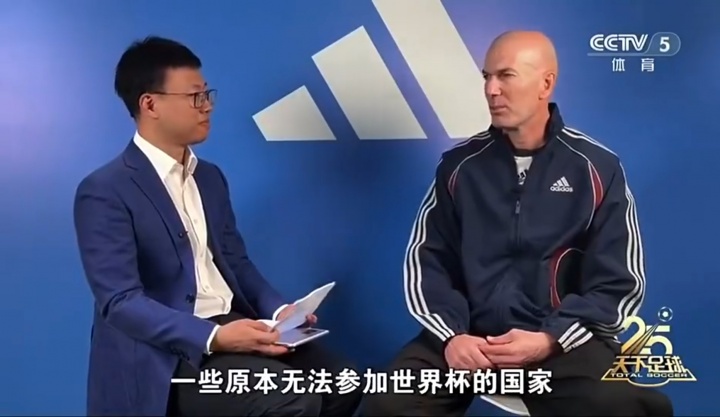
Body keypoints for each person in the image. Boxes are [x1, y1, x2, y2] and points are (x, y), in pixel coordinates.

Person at [364, 31, 674, 416]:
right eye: (487, 77)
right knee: (387, 404)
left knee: (630, 407)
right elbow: (428, 262)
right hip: (469, 340)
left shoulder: (596, 168)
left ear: (546, 84)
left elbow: (618, 284)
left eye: (506, 76)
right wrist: (452, 336)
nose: (491, 90)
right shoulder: (459, 167)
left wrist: (551, 338)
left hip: (558, 343)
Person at [73, 36, 362, 417]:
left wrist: (280, 312)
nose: (207, 106)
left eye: (207, 94)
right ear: (150, 104)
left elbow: (236, 262)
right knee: (291, 400)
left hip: (233, 324)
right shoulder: (105, 190)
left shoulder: (209, 178)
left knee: (343, 382)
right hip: (168, 355)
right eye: (195, 97)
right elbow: (121, 302)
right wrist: (214, 336)